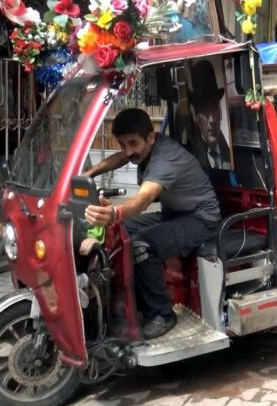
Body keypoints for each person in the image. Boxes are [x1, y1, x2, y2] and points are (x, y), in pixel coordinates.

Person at [83, 108, 221, 339]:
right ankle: (128, 301)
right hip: (174, 214)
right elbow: (121, 157)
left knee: (139, 245)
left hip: (200, 219)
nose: (128, 151)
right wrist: (90, 173)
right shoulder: (145, 147)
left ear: (150, 137)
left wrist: (115, 212)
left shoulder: (165, 158)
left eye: (133, 143)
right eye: (122, 143)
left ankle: (162, 314)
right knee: (119, 232)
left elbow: (144, 199)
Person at [189, 60, 232, 170]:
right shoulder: (190, 159)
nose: (212, 120)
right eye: (204, 109)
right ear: (197, 117)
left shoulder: (232, 153)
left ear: (221, 112)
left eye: (214, 106)